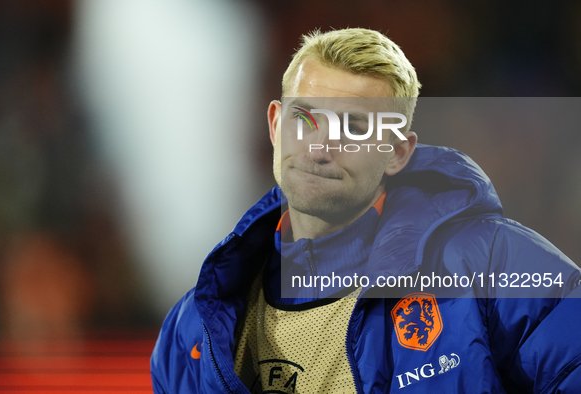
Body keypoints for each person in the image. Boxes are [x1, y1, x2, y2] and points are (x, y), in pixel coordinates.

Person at [151, 28, 581, 393]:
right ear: (275, 124)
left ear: (397, 153)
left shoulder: (491, 266)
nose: (320, 147)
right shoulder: (192, 330)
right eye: (306, 118)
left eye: (355, 127)